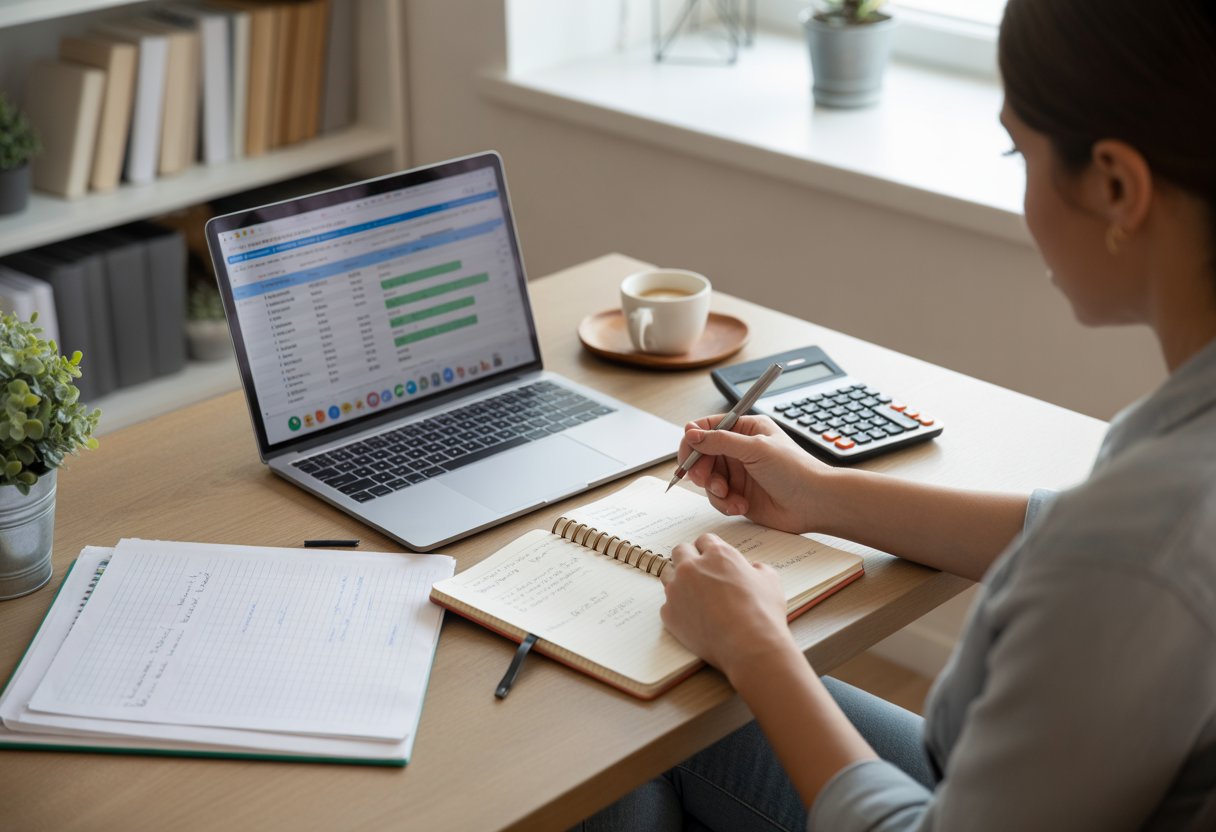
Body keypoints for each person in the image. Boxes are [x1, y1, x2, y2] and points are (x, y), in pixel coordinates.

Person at [579, 0, 1216, 829]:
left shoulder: (1147, 540)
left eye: (1016, 152)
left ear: (1116, 185)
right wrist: (821, 494)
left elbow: (1112, 556)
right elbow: (1063, 531)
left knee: (632, 747)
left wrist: (756, 647)